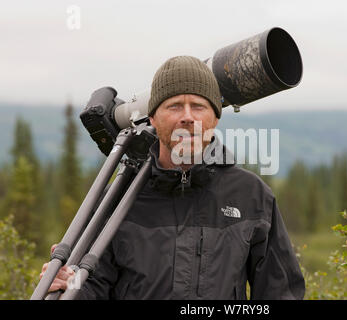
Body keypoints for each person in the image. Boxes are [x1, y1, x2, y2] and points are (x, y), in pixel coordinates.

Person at [41, 55, 305, 299]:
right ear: (153, 118)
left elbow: (280, 292)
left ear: (215, 118)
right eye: (174, 106)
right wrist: (70, 285)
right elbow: (95, 289)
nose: (187, 117)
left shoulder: (251, 195)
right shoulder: (119, 200)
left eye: (198, 106)